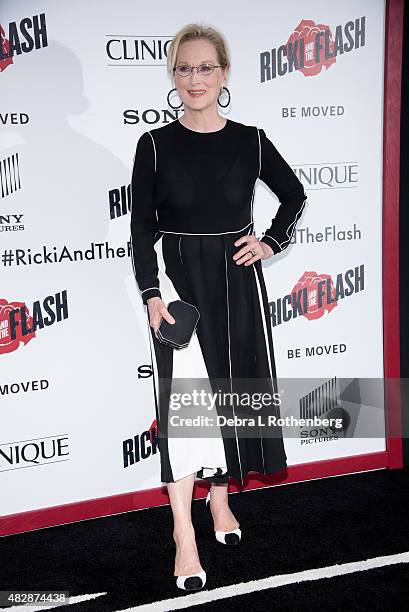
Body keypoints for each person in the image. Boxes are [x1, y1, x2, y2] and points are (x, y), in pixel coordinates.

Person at [130, 23, 307, 592]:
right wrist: (152, 294)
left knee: (228, 401)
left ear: (225, 74)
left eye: (205, 68)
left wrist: (271, 242)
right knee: (186, 416)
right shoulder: (153, 145)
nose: (194, 79)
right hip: (181, 296)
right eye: (184, 68)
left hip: (237, 288)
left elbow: (295, 195)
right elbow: (140, 231)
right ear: (173, 77)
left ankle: (220, 503)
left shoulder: (250, 139)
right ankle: (184, 532)